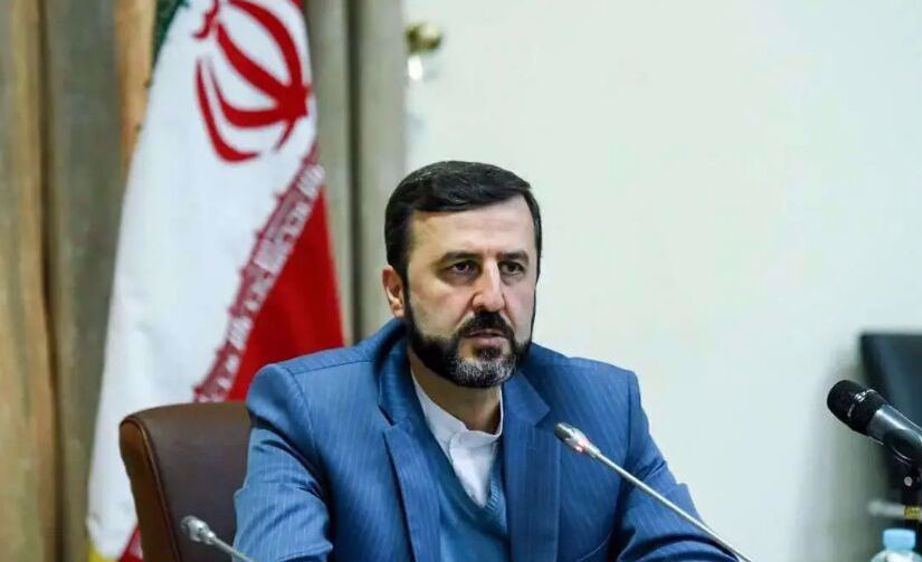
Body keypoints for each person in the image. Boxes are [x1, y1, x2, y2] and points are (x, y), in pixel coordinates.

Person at [234, 161, 734, 561]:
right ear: (397, 292)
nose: (493, 298)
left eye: (512, 268)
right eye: (462, 268)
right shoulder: (311, 411)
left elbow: (689, 552)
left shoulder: (599, 408)